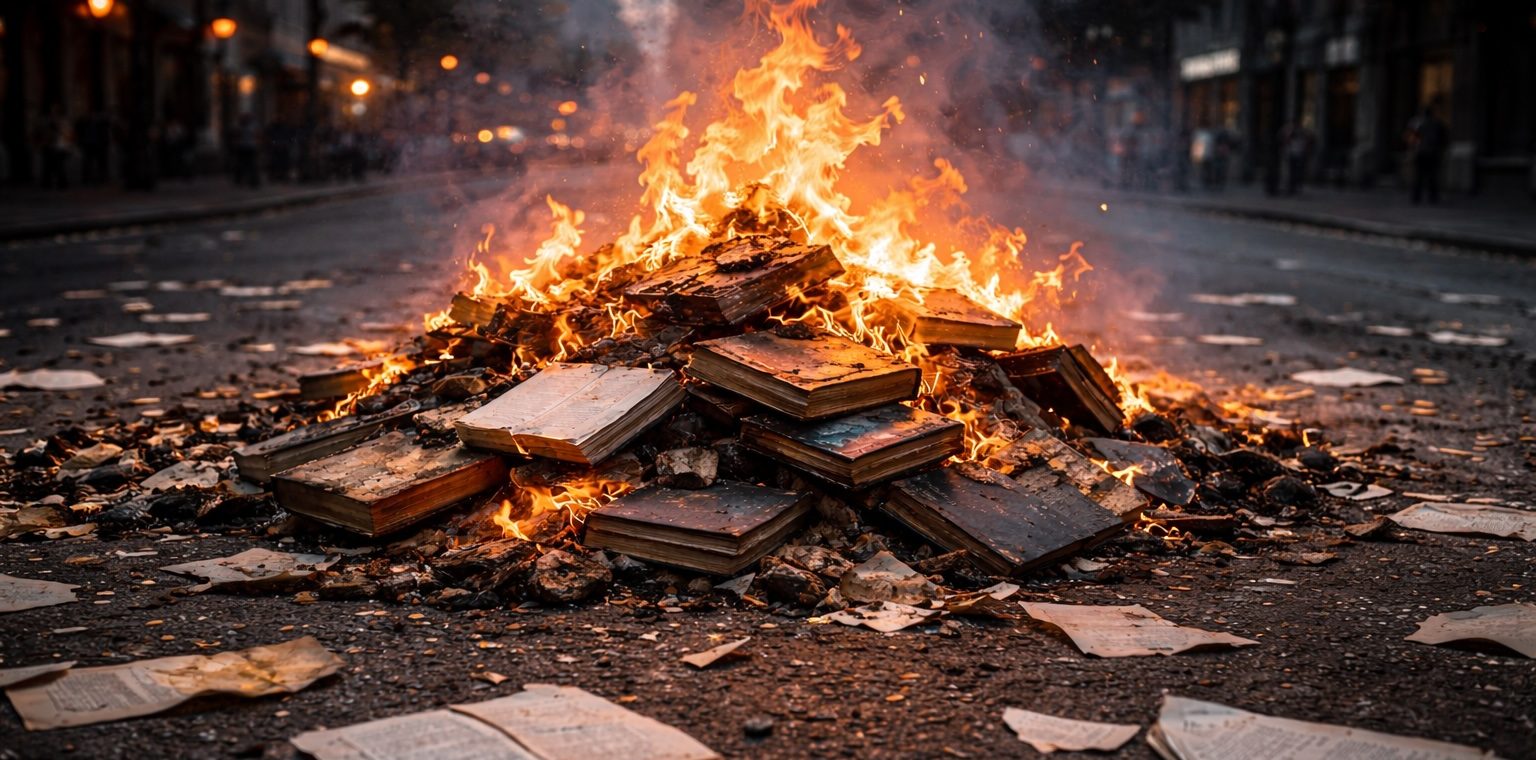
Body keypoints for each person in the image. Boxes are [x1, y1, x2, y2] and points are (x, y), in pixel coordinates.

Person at [1406, 102, 1448, 204]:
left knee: (1419, 176)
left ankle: (1417, 197)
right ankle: (1432, 197)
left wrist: (1413, 148)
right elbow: (1444, 138)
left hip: (1421, 152)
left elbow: (1413, 137)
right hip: (1432, 152)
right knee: (1432, 176)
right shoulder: (1437, 123)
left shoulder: (1420, 123)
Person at [37, 105, 74, 190]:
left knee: (59, 166)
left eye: (56, 111)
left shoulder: (63, 121)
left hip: (59, 146)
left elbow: (68, 134)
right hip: (49, 146)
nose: (54, 113)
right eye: (53, 111)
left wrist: (68, 145)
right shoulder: (45, 121)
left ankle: (61, 183)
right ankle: (47, 183)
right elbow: (41, 132)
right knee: (47, 166)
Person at [231, 113, 262, 188]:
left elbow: (258, 135)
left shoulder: (253, 125)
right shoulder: (239, 125)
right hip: (242, 147)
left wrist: (258, 144)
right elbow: (236, 136)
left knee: (252, 165)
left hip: (251, 147)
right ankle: (239, 181)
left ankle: (253, 181)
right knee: (240, 165)